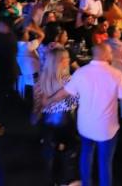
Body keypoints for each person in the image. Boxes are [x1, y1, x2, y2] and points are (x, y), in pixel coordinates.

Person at [47, 43, 122, 186]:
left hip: (85, 127)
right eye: (111, 53)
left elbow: (64, 93)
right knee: (105, 162)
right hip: (106, 129)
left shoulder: (81, 72)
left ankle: (86, 183)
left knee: (86, 155)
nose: (112, 56)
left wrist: (49, 100)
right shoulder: (116, 74)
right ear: (106, 55)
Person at [33, 47, 79, 186]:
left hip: (47, 123)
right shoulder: (69, 81)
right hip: (66, 123)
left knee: (53, 158)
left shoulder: (41, 81)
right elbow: (76, 102)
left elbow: (37, 105)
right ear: (60, 62)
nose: (69, 60)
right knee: (68, 159)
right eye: (67, 58)